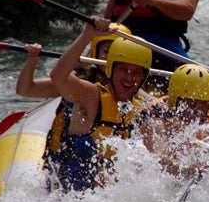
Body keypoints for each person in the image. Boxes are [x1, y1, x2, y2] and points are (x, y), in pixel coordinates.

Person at [46, 18, 152, 192]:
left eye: (136, 72)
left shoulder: (140, 106)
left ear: (144, 77)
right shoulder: (91, 95)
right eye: (123, 69)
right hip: (69, 199)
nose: (129, 77)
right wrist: (87, 35)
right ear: (111, 68)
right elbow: (58, 76)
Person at [140, 63, 209, 178]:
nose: (197, 109)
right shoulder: (156, 119)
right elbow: (159, 160)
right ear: (175, 99)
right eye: (191, 102)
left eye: (202, 103)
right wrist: (194, 170)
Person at [15, 23, 132, 98]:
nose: (112, 57)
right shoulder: (77, 81)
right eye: (107, 51)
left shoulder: (133, 86)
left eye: (119, 53)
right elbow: (25, 90)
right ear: (96, 53)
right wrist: (31, 62)